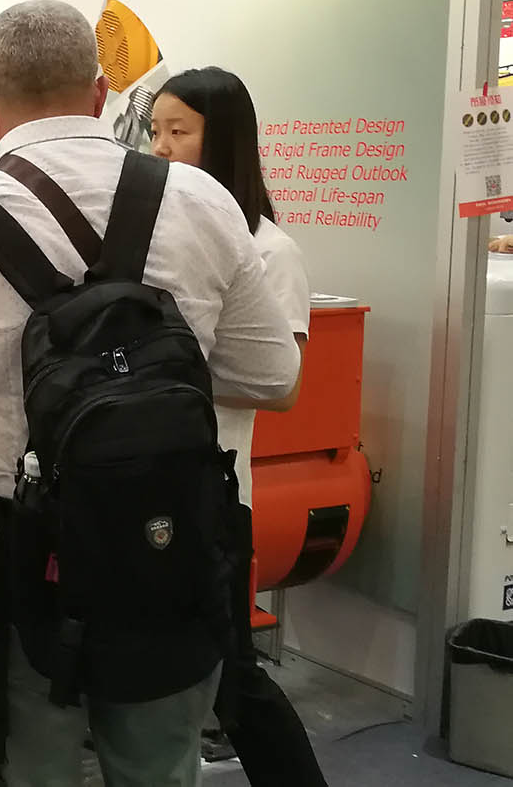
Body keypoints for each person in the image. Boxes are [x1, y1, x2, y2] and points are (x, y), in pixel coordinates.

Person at [0, 1, 301, 787]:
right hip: (167, 527)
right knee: (158, 764)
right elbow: (273, 374)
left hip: (8, 543)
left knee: (26, 765)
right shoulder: (201, 201)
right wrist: (157, 364)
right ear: (99, 93)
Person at [151, 67, 324, 787]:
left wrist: (156, 371)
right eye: (154, 131)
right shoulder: (156, 235)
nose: (159, 148)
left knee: (232, 675)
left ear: (221, 140)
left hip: (216, 493)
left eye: (178, 131)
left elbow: (280, 385)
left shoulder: (270, 250)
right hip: (140, 486)